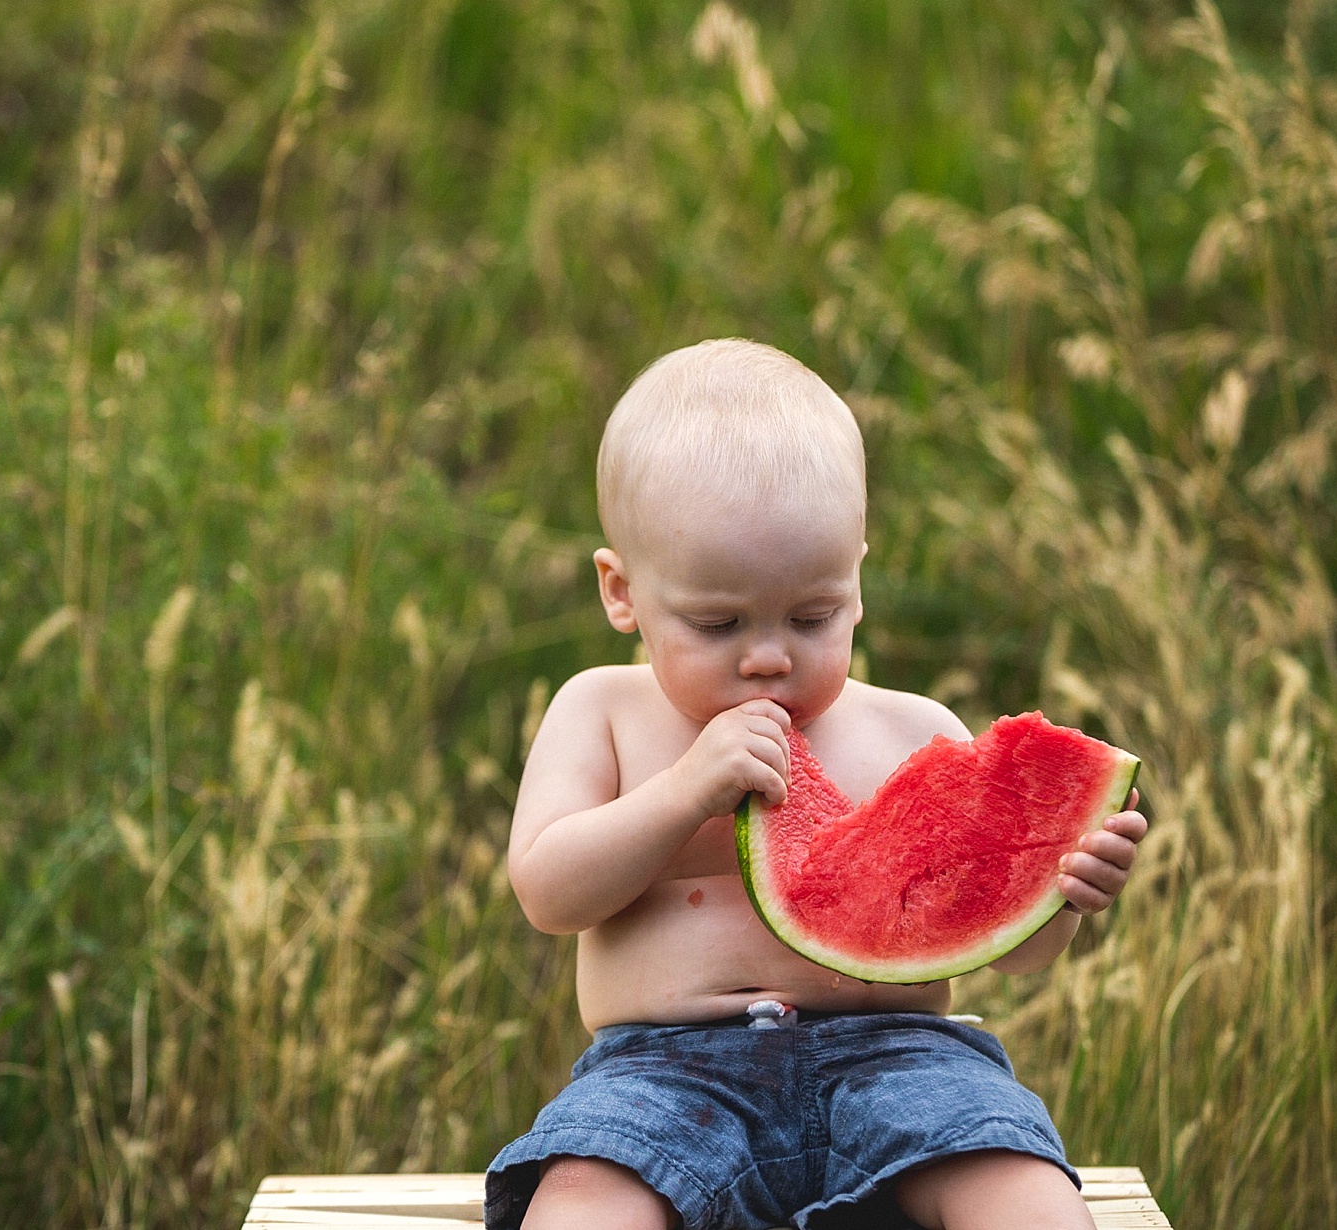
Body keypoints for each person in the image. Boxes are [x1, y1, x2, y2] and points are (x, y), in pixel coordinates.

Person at [486, 339, 1148, 1230]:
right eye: (718, 623)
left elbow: (1003, 948)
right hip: (661, 1079)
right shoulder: (602, 710)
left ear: (857, 584)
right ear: (622, 593)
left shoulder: (914, 732)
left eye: (813, 615)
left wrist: (1060, 900)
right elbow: (548, 891)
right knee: (581, 1204)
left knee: (1021, 1182)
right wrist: (684, 792)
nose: (769, 655)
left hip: (907, 1065)